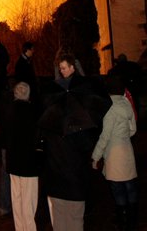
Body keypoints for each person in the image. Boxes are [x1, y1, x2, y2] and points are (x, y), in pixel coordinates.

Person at [39, 53, 108, 231]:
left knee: (61, 222)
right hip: (74, 183)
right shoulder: (80, 129)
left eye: (63, 68)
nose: (61, 71)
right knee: (75, 221)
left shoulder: (50, 126)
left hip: (57, 183)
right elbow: (86, 147)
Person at [92, 75, 138, 230]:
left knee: (118, 189)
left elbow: (105, 136)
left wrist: (95, 156)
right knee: (130, 186)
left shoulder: (109, 108)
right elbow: (133, 129)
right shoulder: (126, 104)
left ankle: (122, 219)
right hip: (127, 151)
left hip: (114, 154)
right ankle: (132, 219)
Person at [2, 81, 42, 231]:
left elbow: (4, 138)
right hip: (29, 164)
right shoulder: (33, 113)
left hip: (14, 162)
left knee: (17, 198)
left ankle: (20, 227)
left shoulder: (8, 111)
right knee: (28, 200)